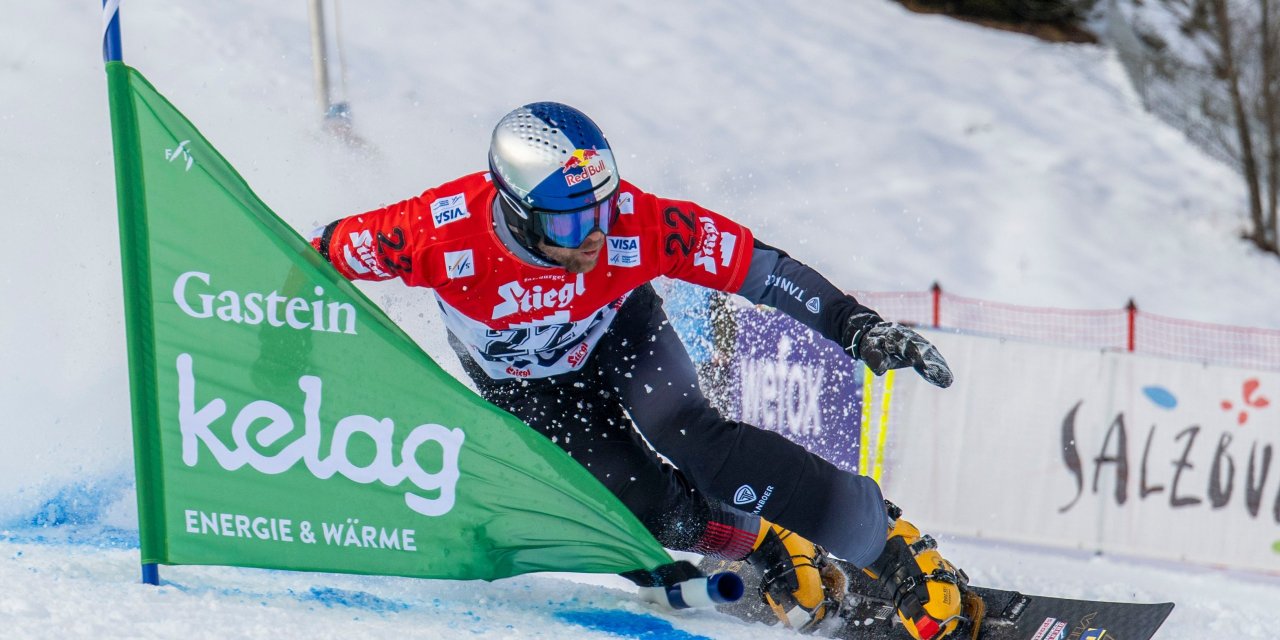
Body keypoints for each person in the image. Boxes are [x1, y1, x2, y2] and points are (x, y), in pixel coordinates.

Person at [311, 102, 966, 639]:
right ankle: (764, 543)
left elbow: (762, 272)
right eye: (570, 225)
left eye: (601, 208)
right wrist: (276, 363)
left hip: (621, 334)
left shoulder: (635, 223)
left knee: (700, 442)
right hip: (531, 391)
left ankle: (889, 544)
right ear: (512, 210)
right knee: (642, 511)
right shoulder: (431, 234)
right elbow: (312, 259)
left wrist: (855, 326)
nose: (594, 237)